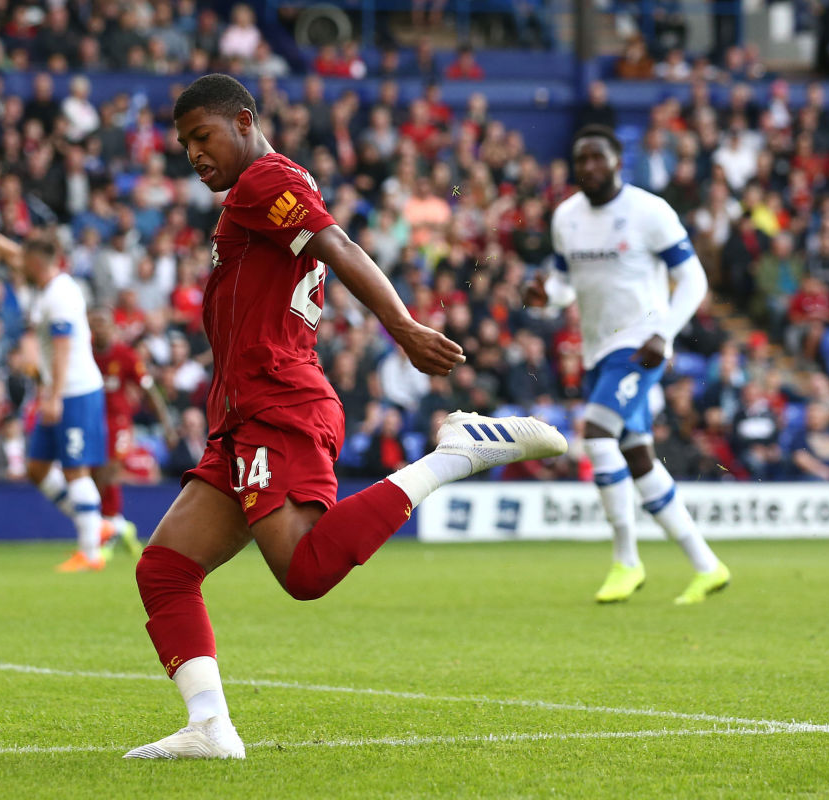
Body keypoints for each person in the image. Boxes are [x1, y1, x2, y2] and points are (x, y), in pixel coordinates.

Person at [123, 74, 565, 760]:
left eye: (202, 136)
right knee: (165, 570)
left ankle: (455, 454)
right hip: (246, 410)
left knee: (304, 570)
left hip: (277, 401)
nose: (193, 154)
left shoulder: (264, 179)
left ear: (243, 121)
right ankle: (209, 727)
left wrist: (403, 325)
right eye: (184, 144)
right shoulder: (271, 184)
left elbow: (342, 248)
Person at [526, 125, 730, 606]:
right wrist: (543, 298)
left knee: (596, 434)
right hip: (597, 350)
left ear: (619, 161)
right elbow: (562, 286)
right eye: (582, 160)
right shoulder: (566, 217)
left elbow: (693, 279)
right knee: (637, 456)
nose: (590, 167)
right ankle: (706, 564)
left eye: (599, 157)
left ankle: (626, 559)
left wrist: (666, 332)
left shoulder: (649, 211)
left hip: (640, 345)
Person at [0, 207, 109, 572]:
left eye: (24, 260)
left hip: (75, 391)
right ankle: (94, 524)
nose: (18, 265)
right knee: (36, 468)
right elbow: (14, 254)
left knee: (75, 470)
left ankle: (90, 551)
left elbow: (62, 350)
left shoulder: (59, 297)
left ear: (37, 262)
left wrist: (54, 396)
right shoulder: (48, 282)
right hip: (60, 390)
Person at [89, 307, 175, 558]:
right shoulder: (85, 354)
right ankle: (120, 527)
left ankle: (106, 534)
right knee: (95, 476)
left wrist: (167, 426)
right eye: (93, 324)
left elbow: (148, 390)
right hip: (91, 423)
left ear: (112, 327)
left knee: (109, 472)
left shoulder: (125, 356)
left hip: (117, 423)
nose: (98, 329)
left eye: (102, 323)